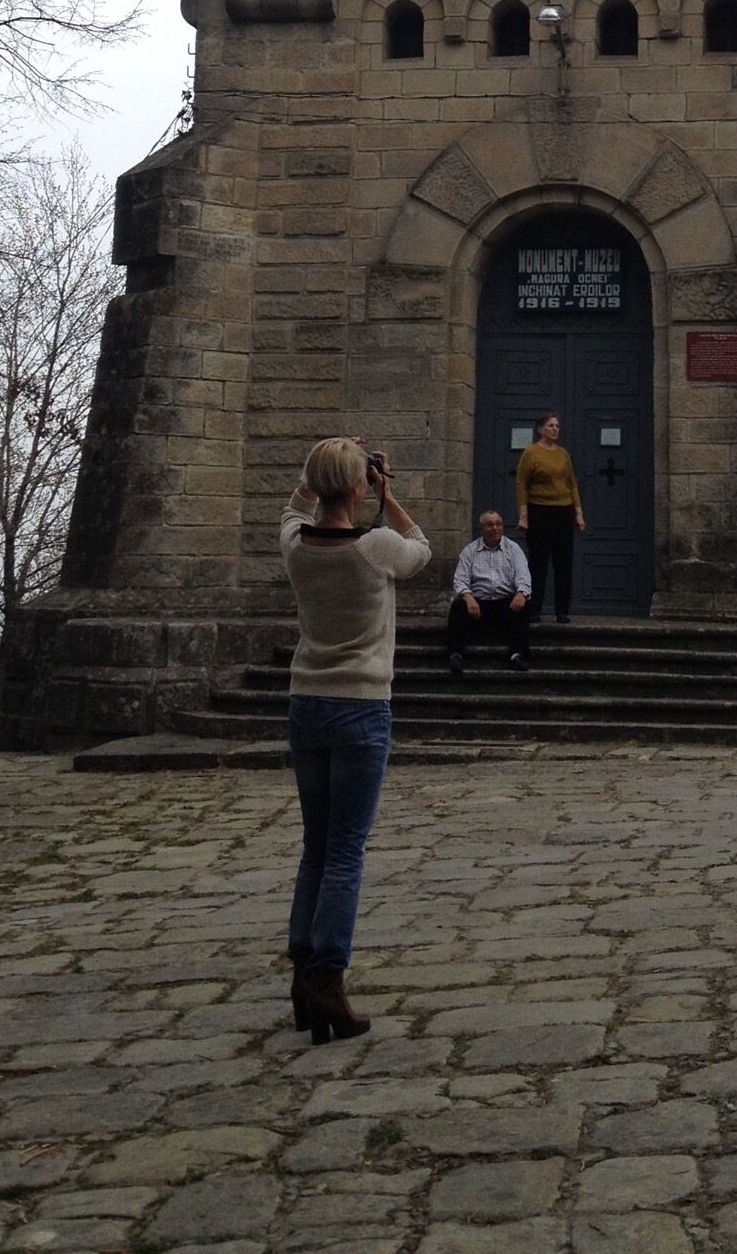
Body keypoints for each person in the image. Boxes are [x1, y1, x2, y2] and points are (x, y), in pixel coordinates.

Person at [280, 437, 429, 1044]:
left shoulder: (296, 546)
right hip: (361, 707)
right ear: (360, 486)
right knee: (346, 851)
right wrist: (388, 495)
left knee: (316, 847)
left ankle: (302, 975)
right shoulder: (375, 548)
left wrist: (320, 472)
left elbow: (293, 510)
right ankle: (327, 976)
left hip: (306, 704)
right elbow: (421, 548)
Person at [515, 411, 584, 624]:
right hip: (540, 511)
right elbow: (521, 483)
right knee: (538, 562)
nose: (555, 429)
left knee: (563, 563)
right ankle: (534, 609)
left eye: (557, 426)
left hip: (563, 512)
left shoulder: (563, 454)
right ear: (540, 429)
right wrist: (523, 516)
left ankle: (562, 610)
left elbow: (571, 483)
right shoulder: (531, 452)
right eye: (550, 425)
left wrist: (578, 513)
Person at [447, 509, 532, 672]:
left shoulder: (514, 549)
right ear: (481, 529)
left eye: (498, 524)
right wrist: (468, 597)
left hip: (505, 603)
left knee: (524, 605)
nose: (495, 528)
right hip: (478, 604)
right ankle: (456, 655)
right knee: (458, 606)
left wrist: (521, 593)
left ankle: (517, 655)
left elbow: (524, 576)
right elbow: (460, 580)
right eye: (490, 525)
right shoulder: (470, 551)